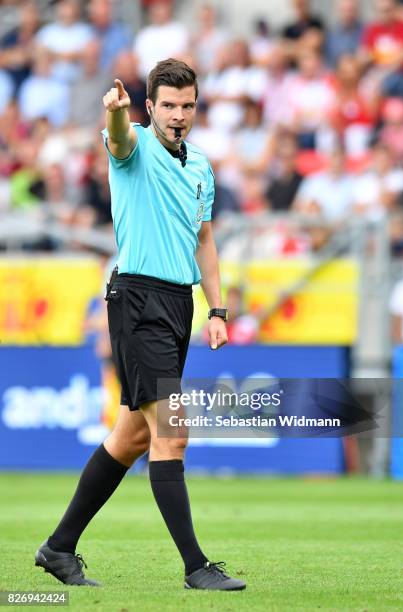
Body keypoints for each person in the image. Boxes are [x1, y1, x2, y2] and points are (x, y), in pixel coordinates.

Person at [34, 57, 246, 592]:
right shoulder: (132, 146)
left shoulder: (200, 165)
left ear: (196, 108)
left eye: (187, 106)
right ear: (150, 107)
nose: (178, 115)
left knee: (131, 436)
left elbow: (205, 242)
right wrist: (115, 116)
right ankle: (196, 566)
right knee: (173, 433)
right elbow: (120, 139)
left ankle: (58, 548)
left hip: (178, 305)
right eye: (168, 106)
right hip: (136, 299)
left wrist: (216, 309)